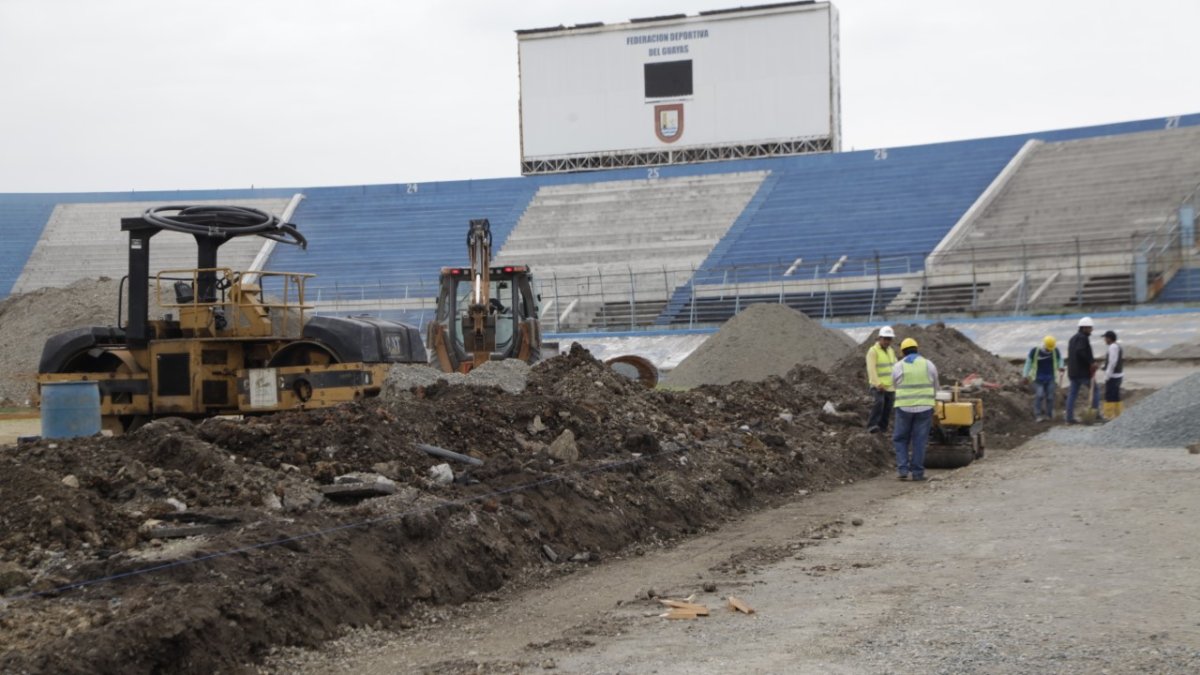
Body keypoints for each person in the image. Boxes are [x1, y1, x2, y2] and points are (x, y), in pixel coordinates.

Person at [892, 337, 938, 482]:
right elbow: (936, 386)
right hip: (925, 407)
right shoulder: (928, 364)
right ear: (917, 350)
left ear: (902, 352)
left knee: (900, 439)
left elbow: (894, 385)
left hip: (904, 407)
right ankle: (917, 473)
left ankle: (903, 469)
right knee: (919, 440)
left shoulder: (898, 366)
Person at [1065, 317, 1102, 424]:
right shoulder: (1083, 338)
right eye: (1090, 328)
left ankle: (1069, 418)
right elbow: (1081, 351)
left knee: (1072, 394)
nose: (1091, 330)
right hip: (1083, 372)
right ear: (1084, 328)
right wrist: (1091, 362)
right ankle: (1095, 414)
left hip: (1073, 372)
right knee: (1095, 390)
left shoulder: (1072, 339)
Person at [1023, 335, 1063, 422]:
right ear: (1044, 345)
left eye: (1051, 348)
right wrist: (1025, 375)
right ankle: (1038, 415)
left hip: (1050, 377)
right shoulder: (1035, 351)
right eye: (1048, 348)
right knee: (1040, 395)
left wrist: (1061, 366)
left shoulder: (1055, 351)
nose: (1050, 350)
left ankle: (1049, 415)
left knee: (1050, 397)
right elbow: (1028, 363)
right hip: (1037, 378)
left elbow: (1060, 359)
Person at [865, 326, 897, 433]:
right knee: (879, 403)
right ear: (880, 338)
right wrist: (878, 384)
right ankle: (871, 426)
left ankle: (883, 429)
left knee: (888, 408)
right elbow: (871, 369)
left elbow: (895, 365)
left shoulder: (891, 351)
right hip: (878, 386)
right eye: (885, 339)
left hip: (890, 386)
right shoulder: (873, 351)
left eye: (889, 339)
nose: (887, 341)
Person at [1101, 330, 1124, 419]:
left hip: (1113, 376)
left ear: (1109, 338)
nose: (1104, 340)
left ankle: (1109, 416)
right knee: (1116, 396)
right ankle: (1118, 415)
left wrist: (1107, 375)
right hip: (1118, 375)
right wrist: (1104, 366)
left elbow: (1112, 362)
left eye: (1105, 338)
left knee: (1109, 396)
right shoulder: (1117, 346)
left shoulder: (1112, 347)